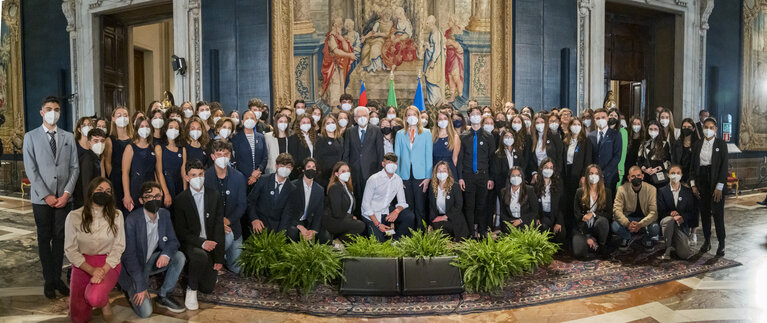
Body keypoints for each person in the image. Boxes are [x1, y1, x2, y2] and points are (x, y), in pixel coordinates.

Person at [23, 96, 79, 299]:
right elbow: (31, 169)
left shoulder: (68, 137)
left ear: (60, 112)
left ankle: (57, 278)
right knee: (44, 237)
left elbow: (74, 167)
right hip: (41, 199)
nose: (52, 112)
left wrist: (66, 194)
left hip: (64, 199)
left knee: (60, 239)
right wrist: (46, 195)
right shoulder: (31, 137)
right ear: (41, 112)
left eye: (56, 109)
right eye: (48, 108)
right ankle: (49, 280)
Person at [119, 182, 186, 317]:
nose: (153, 200)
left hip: (150, 262)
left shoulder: (164, 214)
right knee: (145, 313)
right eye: (148, 197)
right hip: (134, 268)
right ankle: (132, 288)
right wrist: (140, 286)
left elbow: (173, 241)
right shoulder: (132, 220)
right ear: (141, 200)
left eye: (156, 196)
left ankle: (163, 295)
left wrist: (166, 254)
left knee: (179, 257)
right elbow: (129, 257)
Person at [64, 177, 124, 322]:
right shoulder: (74, 216)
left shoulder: (117, 216)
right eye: (100, 190)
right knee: (78, 319)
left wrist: (103, 270)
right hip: (82, 264)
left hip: (108, 263)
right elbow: (70, 249)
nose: (104, 193)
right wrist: (91, 270)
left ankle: (104, 304)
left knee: (95, 298)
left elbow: (119, 246)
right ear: (91, 192)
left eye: (108, 191)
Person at [172, 160, 224, 310]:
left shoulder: (214, 196)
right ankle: (191, 288)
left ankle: (193, 271)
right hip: (191, 243)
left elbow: (218, 227)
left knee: (208, 288)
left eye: (200, 174)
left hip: (210, 243)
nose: (197, 178)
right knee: (199, 256)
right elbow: (181, 231)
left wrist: (219, 257)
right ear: (187, 177)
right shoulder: (180, 200)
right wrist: (202, 243)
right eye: (193, 175)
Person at [204, 141, 247, 274]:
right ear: (213, 156)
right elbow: (202, 206)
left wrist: (227, 221)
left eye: (226, 154)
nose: (222, 157)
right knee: (225, 237)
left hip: (233, 226)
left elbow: (242, 205)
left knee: (238, 268)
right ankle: (214, 258)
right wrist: (218, 224)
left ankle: (223, 255)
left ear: (230, 156)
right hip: (211, 227)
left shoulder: (239, 177)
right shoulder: (205, 177)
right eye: (219, 154)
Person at [690, 117, 728, 256]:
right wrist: (693, 184)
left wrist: (719, 187)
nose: (708, 129)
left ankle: (722, 243)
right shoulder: (697, 144)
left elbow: (724, 167)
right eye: (706, 127)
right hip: (702, 182)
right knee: (705, 215)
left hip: (716, 182)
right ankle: (707, 241)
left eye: (711, 127)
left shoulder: (721, 144)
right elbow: (693, 166)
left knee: (718, 215)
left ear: (716, 129)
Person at [457, 106, 496, 237]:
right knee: (469, 206)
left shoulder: (488, 136)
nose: (475, 116)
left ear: (481, 116)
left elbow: (492, 159)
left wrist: (491, 178)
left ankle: (482, 231)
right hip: (468, 176)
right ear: (468, 117)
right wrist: (460, 177)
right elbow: (460, 159)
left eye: (477, 114)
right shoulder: (463, 137)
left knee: (482, 205)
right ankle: (469, 232)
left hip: (483, 176)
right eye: (472, 114)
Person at [360, 153, 415, 241]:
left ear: (397, 165)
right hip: (372, 215)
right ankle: (384, 234)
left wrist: (396, 212)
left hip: (386, 212)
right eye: (389, 162)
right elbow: (365, 205)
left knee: (409, 216)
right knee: (380, 243)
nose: (392, 165)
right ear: (383, 164)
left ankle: (396, 241)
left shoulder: (398, 180)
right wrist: (378, 224)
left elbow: (402, 202)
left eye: (394, 163)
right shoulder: (373, 179)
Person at [395, 105, 433, 229]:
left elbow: (429, 156)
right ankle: (409, 235)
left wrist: (428, 177)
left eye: (414, 115)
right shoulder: (400, 134)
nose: (412, 117)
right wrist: (398, 178)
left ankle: (421, 235)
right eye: (409, 115)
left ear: (418, 117)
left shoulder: (426, 133)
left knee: (420, 207)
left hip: (421, 175)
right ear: (405, 118)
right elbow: (397, 157)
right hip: (404, 175)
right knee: (408, 206)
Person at [343, 106, 384, 217]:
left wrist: (380, 173)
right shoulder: (349, 132)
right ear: (355, 119)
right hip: (354, 172)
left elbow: (381, 153)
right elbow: (346, 153)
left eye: (364, 116)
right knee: (356, 199)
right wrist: (346, 171)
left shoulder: (376, 130)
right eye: (359, 116)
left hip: (371, 172)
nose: (362, 118)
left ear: (369, 117)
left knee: (370, 200)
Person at [281, 158, 330, 242]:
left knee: (325, 236)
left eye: (314, 167)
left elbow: (319, 212)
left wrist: (314, 230)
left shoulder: (319, 189)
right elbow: (287, 211)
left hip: (308, 222)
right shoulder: (293, 186)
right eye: (309, 167)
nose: (311, 169)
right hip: (294, 222)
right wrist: (299, 226)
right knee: (293, 232)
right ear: (303, 170)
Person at [612, 166, 660, 251]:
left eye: (638, 175)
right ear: (629, 178)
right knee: (614, 225)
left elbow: (653, 212)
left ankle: (647, 238)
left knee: (655, 227)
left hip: (644, 219)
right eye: (633, 176)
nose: (636, 178)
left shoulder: (651, 189)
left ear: (642, 176)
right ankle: (627, 237)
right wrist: (627, 223)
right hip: (628, 219)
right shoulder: (621, 189)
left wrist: (641, 224)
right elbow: (617, 210)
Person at [248, 153, 296, 232]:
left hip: (276, 227)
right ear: (276, 166)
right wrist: (254, 219)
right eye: (282, 166)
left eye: (288, 167)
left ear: (292, 169)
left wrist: (280, 235)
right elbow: (250, 201)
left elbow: (287, 214)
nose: (285, 169)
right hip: (258, 223)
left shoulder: (292, 188)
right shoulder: (264, 179)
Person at [572, 165, 612, 259]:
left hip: (599, 228)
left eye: (596, 174)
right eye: (591, 173)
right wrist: (587, 237)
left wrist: (593, 214)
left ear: (600, 176)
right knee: (579, 253)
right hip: (583, 228)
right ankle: (590, 243)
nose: (594, 176)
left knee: (602, 221)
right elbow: (577, 215)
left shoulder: (607, 192)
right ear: (587, 176)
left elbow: (609, 214)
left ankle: (601, 245)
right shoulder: (579, 192)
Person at [657, 165, 696, 260]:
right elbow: (660, 211)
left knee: (684, 254)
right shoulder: (662, 191)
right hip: (667, 222)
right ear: (668, 175)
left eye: (678, 173)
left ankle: (674, 242)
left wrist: (682, 217)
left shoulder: (687, 192)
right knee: (669, 220)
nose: (675, 175)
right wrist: (671, 214)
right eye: (673, 173)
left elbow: (691, 212)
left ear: (681, 175)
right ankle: (667, 249)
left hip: (681, 226)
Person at [323, 161, 367, 240]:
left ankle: (340, 242)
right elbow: (337, 212)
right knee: (360, 225)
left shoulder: (348, 188)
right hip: (334, 220)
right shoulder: (335, 187)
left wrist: (351, 217)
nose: (346, 173)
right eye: (343, 171)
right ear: (336, 174)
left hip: (344, 219)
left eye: (348, 171)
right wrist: (351, 217)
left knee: (356, 232)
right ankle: (340, 240)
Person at [121, 117, 157, 212]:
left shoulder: (153, 147)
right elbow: (125, 173)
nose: (144, 128)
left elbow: (156, 172)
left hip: (151, 188)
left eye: (147, 126)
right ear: (137, 129)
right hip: (136, 188)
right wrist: (127, 195)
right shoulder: (130, 148)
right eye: (142, 126)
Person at [428, 161, 469, 240]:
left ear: (448, 172)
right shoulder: (432, 187)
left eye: (444, 170)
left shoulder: (455, 186)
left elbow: (458, 205)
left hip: (454, 220)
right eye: (439, 170)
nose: (441, 172)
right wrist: (433, 219)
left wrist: (444, 217)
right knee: (437, 225)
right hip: (440, 221)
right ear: (435, 173)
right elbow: (431, 206)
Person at [104, 106, 133, 215]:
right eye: (119, 115)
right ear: (113, 119)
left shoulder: (133, 139)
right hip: (116, 178)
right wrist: (113, 177)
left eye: (125, 115)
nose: (122, 118)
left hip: (132, 177)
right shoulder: (109, 140)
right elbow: (107, 162)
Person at [231, 110, 267, 190]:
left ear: (256, 121)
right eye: (247, 118)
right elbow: (237, 159)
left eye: (252, 118)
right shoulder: (236, 138)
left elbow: (265, 157)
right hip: (243, 179)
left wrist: (258, 171)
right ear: (242, 121)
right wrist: (250, 176)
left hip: (259, 177)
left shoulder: (261, 137)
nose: (249, 120)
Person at [588, 108, 623, 190]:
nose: (601, 120)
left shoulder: (616, 134)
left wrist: (603, 173)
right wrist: (593, 173)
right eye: (598, 118)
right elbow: (589, 156)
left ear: (607, 118)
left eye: (603, 117)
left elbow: (617, 156)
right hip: (594, 176)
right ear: (594, 120)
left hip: (610, 176)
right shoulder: (591, 136)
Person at [155, 119, 186, 208]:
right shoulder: (159, 148)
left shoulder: (182, 149)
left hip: (179, 185)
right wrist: (166, 193)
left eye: (176, 128)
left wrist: (185, 190)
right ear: (165, 130)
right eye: (171, 127)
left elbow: (183, 171)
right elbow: (159, 172)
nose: (174, 130)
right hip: (166, 185)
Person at [533, 158, 565, 243]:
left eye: (551, 168)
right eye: (546, 167)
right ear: (541, 169)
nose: (548, 170)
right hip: (542, 216)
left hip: (555, 216)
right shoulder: (535, 185)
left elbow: (562, 205)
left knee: (561, 236)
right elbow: (533, 204)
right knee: (543, 228)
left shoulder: (558, 183)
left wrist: (559, 222)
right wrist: (536, 217)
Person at [74, 129, 107, 209]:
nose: (99, 143)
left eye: (102, 141)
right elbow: (86, 185)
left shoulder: (98, 158)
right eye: (96, 141)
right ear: (89, 143)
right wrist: (88, 206)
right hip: (87, 204)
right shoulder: (87, 159)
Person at [499, 167, 538, 233]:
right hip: (510, 222)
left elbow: (534, 211)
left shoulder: (529, 190)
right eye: (513, 175)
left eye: (518, 175)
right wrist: (509, 223)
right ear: (509, 178)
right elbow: (503, 212)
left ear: (522, 177)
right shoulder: (503, 192)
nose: (516, 177)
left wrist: (521, 220)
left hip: (525, 221)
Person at [638, 120, 671, 189]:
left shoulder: (664, 144)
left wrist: (656, 169)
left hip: (659, 178)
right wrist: (645, 170)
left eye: (655, 129)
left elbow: (668, 162)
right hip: (646, 177)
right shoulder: (643, 144)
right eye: (651, 129)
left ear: (659, 130)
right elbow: (639, 161)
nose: (653, 131)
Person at [530, 113, 564, 179]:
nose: (540, 124)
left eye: (542, 122)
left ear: (546, 123)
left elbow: (560, 156)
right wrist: (534, 173)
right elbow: (531, 159)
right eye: (537, 123)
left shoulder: (554, 136)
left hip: (553, 173)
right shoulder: (532, 139)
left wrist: (557, 173)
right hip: (539, 173)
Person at [315, 115, 344, 188]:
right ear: (324, 126)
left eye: (333, 122)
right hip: (324, 176)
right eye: (328, 123)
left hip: (338, 174)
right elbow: (318, 158)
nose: (331, 124)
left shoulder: (340, 139)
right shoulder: (319, 139)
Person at [432, 109, 461, 177]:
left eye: (445, 118)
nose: (443, 121)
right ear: (437, 121)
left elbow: (455, 159)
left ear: (449, 120)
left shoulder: (455, 137)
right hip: (435, 171)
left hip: (450, 171)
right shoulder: (432, 137)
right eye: (440, 119)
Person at [288, 114, 317, 179]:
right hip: (300, 173)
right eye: (303, 122)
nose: (306, 124)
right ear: (299, 124)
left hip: (314, 172)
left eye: (308, 122)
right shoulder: (293, 138)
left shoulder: (315, 138)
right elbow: (293, 158)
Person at [672, 118, 699, 184]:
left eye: (689, 127)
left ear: (693, 129)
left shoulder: (698, 144)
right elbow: (674, 161)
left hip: (693, 177)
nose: (686, 129)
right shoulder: (677, 143)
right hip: (679, 176)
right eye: (684, 127)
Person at [608, 108, 628, 189]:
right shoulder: (604, 130)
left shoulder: (623, 132)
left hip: (617, 168)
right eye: (611, 115)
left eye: (615, 116)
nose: (613, 117)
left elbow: (623, 152)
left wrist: (619, 167)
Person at [625, 116, 645, 183]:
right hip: (627, 169)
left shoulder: (644, 140)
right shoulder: (626, 138)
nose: (636, 126)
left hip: (639, 170)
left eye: (638, 124)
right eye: (634, 124)